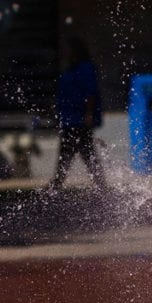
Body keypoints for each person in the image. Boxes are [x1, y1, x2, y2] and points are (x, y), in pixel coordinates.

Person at [46, 35, 107, 191]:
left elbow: (90, 93)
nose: (64, 52)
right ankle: (100, 185)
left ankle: (56, 185)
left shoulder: (84, 68)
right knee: (83, 152)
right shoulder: (71, 68)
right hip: (70, 118)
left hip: (78, 119)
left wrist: (88, 114)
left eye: (67, 49)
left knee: (71, 152)